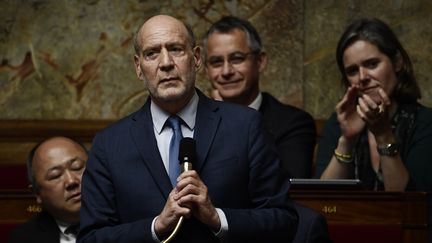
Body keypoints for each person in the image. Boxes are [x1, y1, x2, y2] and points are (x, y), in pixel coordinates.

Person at [78, 15, 298, 243]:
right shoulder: (109, 144)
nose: (165, 63)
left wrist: (217, 218)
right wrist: (156, 226)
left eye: (175, 49)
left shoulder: (246, 126)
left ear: (196, 58)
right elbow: (91, 238)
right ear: (138, 67)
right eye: (152, 53)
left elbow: (284, 221)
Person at [315, 18, 432, 192]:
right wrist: (347, 140)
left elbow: (409, 208)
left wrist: (383, 135)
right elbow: (324, 202)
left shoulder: (424, 123)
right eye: (353, 70)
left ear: (397, 62)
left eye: (372, 64)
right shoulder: (337, 124)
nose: (362, 77)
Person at [202, 16, 316, 178]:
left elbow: (287, 189)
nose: (226, 71)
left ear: (260, 61)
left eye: (237, 59)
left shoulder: (293, 124)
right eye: (216, 62)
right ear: (206, 70)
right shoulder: (196, 122)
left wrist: (230, 124)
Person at [8, 136, 88, 243]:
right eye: (55, 175)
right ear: (37, 193)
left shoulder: (118, 219)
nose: (71, 181)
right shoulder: (23, 239)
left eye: (77, 167)